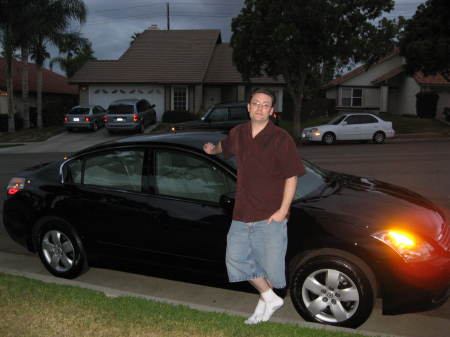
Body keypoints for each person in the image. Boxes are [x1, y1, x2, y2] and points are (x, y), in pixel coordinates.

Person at [203, 88, 305, 324]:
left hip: (269, 214)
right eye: (255, 103)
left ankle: (264, 305)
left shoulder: (281, 139)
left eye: (265, 104)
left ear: (272, 111)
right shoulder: (238, 133)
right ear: (248, 107)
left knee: (269, 268)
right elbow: (224, 146)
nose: (259, 108)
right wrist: (211, 149)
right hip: (242, 212)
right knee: (235, 259)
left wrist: (282, 211)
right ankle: (270, 297)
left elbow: (292, 176)